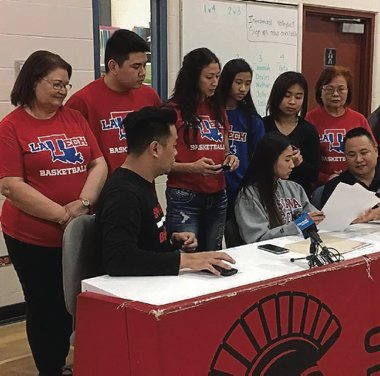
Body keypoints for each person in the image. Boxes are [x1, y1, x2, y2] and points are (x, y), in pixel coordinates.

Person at [0, 51, 107, 376]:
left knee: (77, 303)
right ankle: (51, 367)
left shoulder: (74, 118)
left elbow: (98, 162)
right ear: (33, 82)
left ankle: (78, 361)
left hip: (80, 228)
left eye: (66, 84)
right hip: (33, 237)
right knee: (46, 306)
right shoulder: (11, 127)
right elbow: (10, 186)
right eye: (56, 84)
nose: (63, 91)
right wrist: (63, 216)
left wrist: (84, 204)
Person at [96, 106, 235, 276]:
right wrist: (186, 261)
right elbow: (118, 260)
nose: (176, 153)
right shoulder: (123, 195)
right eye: (174, 146)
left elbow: (144, 241)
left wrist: (172, 239)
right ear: (155, 149)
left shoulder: (142, 182)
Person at [165, 48, 239, 251]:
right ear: (193, 77)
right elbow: (160, 164)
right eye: (209, 77)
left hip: (217, 194)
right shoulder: (173, 111)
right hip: (184, 195)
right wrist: (192, 168)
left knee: (212, 255)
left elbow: (225, 150)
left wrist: (230, 158)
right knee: (187, 257)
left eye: (217, 76)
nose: (215, 82)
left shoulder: (218, 109)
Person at [66, 29, 161, 174]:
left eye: (144, 65)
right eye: (136, 67)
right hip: (103, 191)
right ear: (113, 67)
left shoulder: (149, 96)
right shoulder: (82, 101)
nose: (142, 72)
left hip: (142, 189)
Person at [235, 132, 324, 244]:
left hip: (299, 248)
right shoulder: (249, 195)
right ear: (270, 160)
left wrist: (325, 217)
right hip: (268, 254)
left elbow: (313, 218)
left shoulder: (295, 188)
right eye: (287, 160)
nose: (292, 165)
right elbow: (257, 239)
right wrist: (297, 226)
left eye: (292, 159)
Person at [305, 66, 374, 185]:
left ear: (348, 91)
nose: (335, 94)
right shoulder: (310, 118)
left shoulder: (359, 119)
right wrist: (325, 177)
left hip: (356, 184)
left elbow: (372, 152)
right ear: (320, 91)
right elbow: (305, 158)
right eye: (330, 89)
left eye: (341, 89)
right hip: (320, 186)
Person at [217, 58, 265, 219]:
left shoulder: (251, 119)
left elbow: (259, 157)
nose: (243, 88)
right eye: (238, 82)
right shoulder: (212, 113)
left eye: (248, 83)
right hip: (213, 186)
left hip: (241, 188)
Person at [263, 72, 320, 196]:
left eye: (298, 97)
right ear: (276, 96)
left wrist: (299, 164)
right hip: (267, 193)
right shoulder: (263, 125)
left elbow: (314, 174)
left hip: (298, 196)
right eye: (287, 96)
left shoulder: (309, 131)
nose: (292, 102)